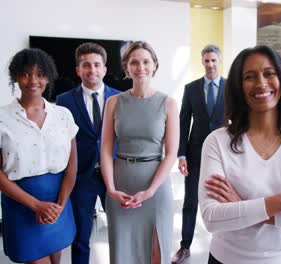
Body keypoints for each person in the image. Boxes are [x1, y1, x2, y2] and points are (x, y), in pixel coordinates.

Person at [199, 45, 281, 264]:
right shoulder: (217, 141)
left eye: (269, 74)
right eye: (250, 77)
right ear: (238, 87)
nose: (261, 83)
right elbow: (212, 218)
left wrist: (241, 207)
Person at [100, 41, 179, 264]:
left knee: (156, 251)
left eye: (146, 61)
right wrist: (111, 189)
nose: (140, 67)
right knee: (123, 251)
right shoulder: (113, 102)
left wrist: (150, 191)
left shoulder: (168, 103)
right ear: (127, 67)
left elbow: (171, 153)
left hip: (156, 186)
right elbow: (105, 149)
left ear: (154, 65)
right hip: (120, 184)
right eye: (134, 62)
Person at [0, 48, 78, 263]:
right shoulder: (2, 118)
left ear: (48, 77)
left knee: (56, 259)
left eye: (40, 74)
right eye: (26, 73)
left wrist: (59, 206)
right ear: (16, 76)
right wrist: (35, 205)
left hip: (58, 203)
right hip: (21, 204)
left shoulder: (63, 116)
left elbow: (72, 168)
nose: (33, 80)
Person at [56, 42, 120, 264]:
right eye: (86, 65)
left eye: (96, 65)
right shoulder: (63, 101)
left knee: (119, 234)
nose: (92, 70)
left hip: (113, 176)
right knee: (81, 237)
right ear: (78, 70)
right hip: (81, 177)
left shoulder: (120, 98)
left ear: (104, 69)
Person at [172, 44, 225, 264]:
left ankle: (223, 244)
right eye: (206, 60)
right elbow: (183, 123)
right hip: (195, 153)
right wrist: (181, 154)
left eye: (214, 60)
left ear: (219, 61)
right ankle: (185, 246)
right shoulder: (191, 88)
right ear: (202, 62)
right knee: (191, 201)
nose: (210, 64)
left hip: (224, 154)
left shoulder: (232, 87)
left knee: (224, 201)